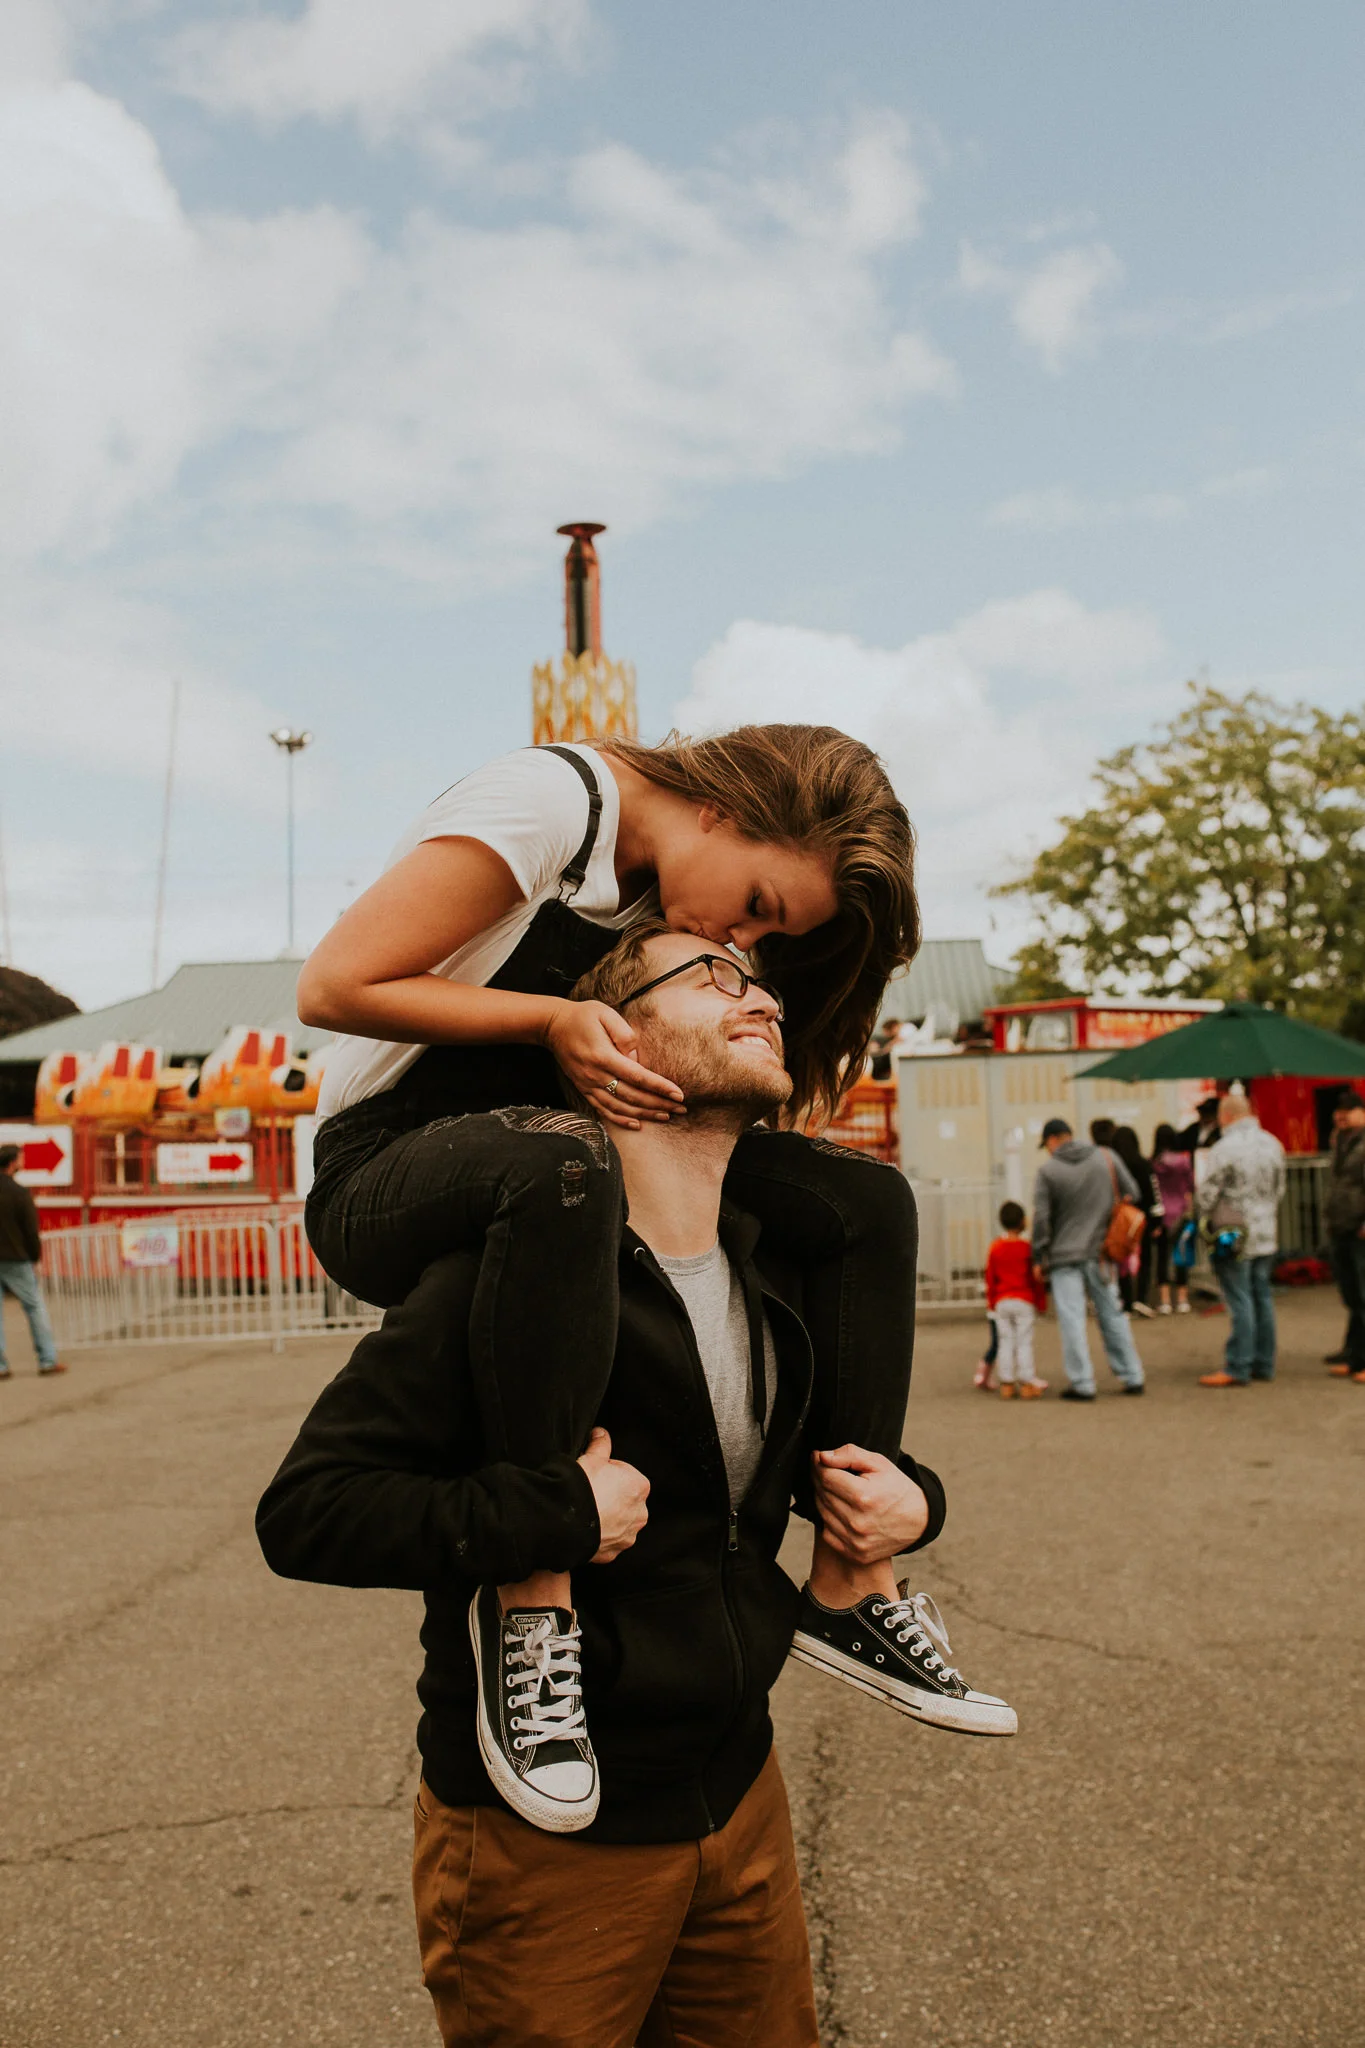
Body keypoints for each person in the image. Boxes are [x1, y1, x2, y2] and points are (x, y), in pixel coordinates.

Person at [258, 923, 1014, 2048]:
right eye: (710, 976)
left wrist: (914, 1499)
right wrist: (556, 1514)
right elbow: (308, 1510)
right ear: (611, 1039)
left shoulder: (777, 1266)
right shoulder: (496, 1284)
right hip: (547, 1839)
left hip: (741, 1791)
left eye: (758, 980)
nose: (758, 996)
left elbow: (786, 1475)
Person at [296, 724, 925, 1828]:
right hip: (389, 1163)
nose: (739, 939)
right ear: (726, 811)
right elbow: (335, 983)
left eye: (765, 939)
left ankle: (851, 1575)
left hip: (561, 1168)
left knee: (862, 1196)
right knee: (560, 1158)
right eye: (759, 907)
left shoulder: (665, 892)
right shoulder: (551, 804)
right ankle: (532, 1598)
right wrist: (551, 1016)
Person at [1030, 1118, 1146, 1401]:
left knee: (1072, 1319)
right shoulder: (1106, 1157)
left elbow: (1042, 1218)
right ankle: (1132, 1375)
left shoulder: (1048, 1171)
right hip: (1102, 1252)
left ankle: (1082, 1383)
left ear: (1053, 1139)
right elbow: (1133, 1192)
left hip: (1063, 1255)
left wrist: (1038, 1254)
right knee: (1112, 1314)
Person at [1195, 1089, 1286, 1388]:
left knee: (1239, 1298)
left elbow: (1208, 1193)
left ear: (1226, 1116)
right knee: (1262, 1296)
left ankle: (1238, 1365)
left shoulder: (1225, 1148)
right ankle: (1265, 1363)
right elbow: (1280, 1189)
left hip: (1233, 1233)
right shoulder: (1273, 1143)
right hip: (1266, 1231)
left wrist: (1201, 1216)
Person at [0, 1146, 66, 1380]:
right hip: (16, 1259)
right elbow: (30, 1230)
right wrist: (35, 1255)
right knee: (34, 1306)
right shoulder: (19, 1193)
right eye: (20, 1159)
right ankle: (47, 1359)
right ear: (12, 1163)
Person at [984, 1200, 1048, 1398]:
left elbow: (990, 1277)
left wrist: (992, 1302)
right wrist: (1041, 1302)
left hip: (1002, 1301)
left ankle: (1007, 1383)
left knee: (1005, 1341)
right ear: (1022, 1221)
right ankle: (1027, 1381)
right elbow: (1034, 1278)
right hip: (1023, 1300)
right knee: (1024, 1342)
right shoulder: (1027, 1248)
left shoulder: (995, 1247)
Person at [1323, 1088, 1365, 1384]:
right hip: (1342, 1224)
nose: (1341, 1115)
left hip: (1359, 1226)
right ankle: (1355, 1357)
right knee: (1352, 1294)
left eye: (1348, 1109)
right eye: (1338, 1110)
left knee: (1364, 1294)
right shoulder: (1342, 1141)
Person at [1109, 1125, 1162, 1317]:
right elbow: (1154, 1193)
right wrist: (1157, 1221)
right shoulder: (1144, 1164)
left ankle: (1126, 1302)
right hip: (1142, 1220)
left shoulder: (1114, 1166)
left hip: (1121, 1222)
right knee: (1145, 1258)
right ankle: (1142, 1298)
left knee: (1122, 1259)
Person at [1151, 1124, 1195, 1313]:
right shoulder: (1184, 1161)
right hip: (1181, 1213)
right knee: (1182, 1255)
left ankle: (1165, 1301)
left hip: (1161, 1215)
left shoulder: (1154, 1162)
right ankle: (1183, 1300)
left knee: (1162, 1257)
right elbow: (1192, 1186)